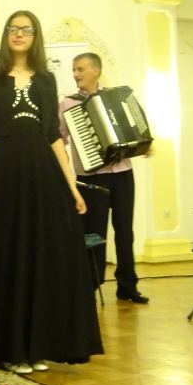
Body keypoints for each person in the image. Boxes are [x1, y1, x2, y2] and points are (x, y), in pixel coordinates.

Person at [0, 10, 103, 375]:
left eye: (26, 29)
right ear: (7, 35)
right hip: (3, 176)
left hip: (42, 176)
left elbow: (53, 136)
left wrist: (72, 187)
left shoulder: (45, 80)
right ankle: (9, 349)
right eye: (14, 28)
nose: (19, 34)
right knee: (6, 257)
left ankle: (38, 345)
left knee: (40, 258)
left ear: (35, 36)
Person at [59, 52, 149, 304]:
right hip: (90, 178)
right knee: (94, 234)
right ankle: (91, 283)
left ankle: (127, 286)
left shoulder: (117, 97)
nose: (75, 74)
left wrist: (143, 141)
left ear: (95, 71)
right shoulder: (68, 104)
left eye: (80, 69)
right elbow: (58, 139)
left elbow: (137, 124)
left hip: (122, 174)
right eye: (74, 69)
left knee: (125, 231)